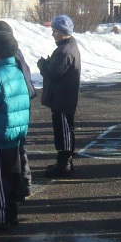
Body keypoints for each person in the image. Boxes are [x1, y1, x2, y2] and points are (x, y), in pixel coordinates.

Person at [0, 29, 31, 230]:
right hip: (15, 134)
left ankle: (1, 216)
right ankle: (10, 213)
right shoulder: (16, 71)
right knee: (11, 176)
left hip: (0, 135)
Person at [0, 20, 37, 200]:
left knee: (17, 152)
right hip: (19, 109)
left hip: (13, 111)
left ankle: (23, 185)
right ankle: (23, 186)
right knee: (18, 151)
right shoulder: (17, 55)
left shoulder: (11, 61)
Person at [38, 15, 82, 178]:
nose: (53, 34)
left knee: (63, 131)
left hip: (63, 98)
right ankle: (63, 161)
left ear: (63, 31)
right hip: (62, 97)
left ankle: (64, 163)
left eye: (55, 31)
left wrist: (43, 65)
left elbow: (53, 72)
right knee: (63, 130)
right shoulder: (67, 47)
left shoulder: (65, 50)